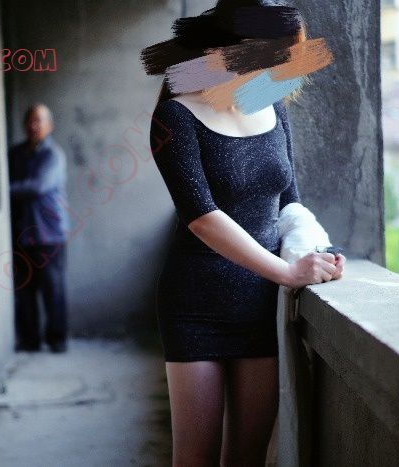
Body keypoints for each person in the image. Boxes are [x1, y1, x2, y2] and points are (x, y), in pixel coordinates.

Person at [144, 1, 346, 465]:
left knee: (248, 458)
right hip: (196, 305)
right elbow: (201, 216)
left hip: (259, 307)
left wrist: (317, 252)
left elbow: (289, 201)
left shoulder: (272, 108)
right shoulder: (174, 116)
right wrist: (287, 273)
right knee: (194, 459)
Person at [8, 103, 69, 353]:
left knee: (53, 289)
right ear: (25, 125)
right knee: (24, 290)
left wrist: (4, 190)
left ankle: (57, 340)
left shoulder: (53, 155)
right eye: (31, 121)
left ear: (49, 126)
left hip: (49, 234)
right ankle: (30, 341)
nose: (34, 126)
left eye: (39, 121)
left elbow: (37, 186)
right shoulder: (15, 153)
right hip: (23, 233)